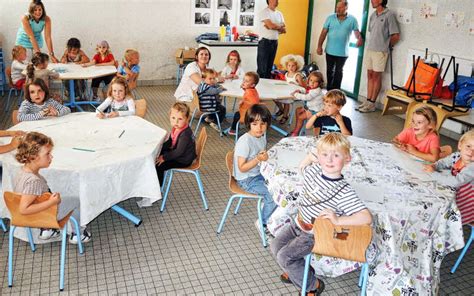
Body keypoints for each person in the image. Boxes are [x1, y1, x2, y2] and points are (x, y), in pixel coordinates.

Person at [271, 132, 372, 295]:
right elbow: (302, 168)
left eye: (336, 155)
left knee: (284, 257)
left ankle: (313, 285)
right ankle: (300, 271)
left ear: (347, 159)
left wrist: (338, 220)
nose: (329, 160)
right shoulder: (314, 172)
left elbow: (366, 217)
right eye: (324, 154)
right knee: (275, 246)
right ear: (319, 156)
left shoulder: (343, 191)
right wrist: (310, 158)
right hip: (297, 224)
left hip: (315, 234)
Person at [14, 132, 91, 243]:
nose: (51, 156)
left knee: (47, 194)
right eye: (47, 154)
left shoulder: (22, 172)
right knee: (77, 201)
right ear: (33, 157)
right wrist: (51, 202)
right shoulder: (33, 182)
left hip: (34, 215)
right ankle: (78, 234)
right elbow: (24, 209)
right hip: (42, 216)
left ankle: (47, 230)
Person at [234, 104, 277, 238]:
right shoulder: (245, 141)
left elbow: (261, 152)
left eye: (263, 124)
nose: (259, 128)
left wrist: (263, 157)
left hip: (257, 174)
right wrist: (258, 159)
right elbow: (242, 167)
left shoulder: (262, 135)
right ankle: (262, 223)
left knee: (279, 186)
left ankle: (269, 211)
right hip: (246, 179)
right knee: (274, 197)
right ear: (249, 124)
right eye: (255, 124)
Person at [357, 0, 400, 113]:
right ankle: (368, 100)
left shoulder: (389, 15)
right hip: (370, 50)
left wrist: (386, 46)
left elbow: (395, 36)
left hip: (380, 52)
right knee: (369, 75)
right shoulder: (373, 15)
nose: (371, 1)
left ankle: (372, 104)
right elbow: (373, 32)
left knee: (376, 76)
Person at [424, 130, 474, 225]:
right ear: (460, 145)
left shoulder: (472, 167)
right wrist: (434, 166)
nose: (471, 152)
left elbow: (455, 182)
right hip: (454, 192)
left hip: (466, 202)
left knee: (445, 217)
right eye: (468, 146)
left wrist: (433, 173)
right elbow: (443, 162)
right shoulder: (457, 156)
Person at [317, 0, 363, 90]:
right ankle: (329, 90)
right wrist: (319, 46)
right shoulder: (330, 18)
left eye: (340, 7)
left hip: (343, 52)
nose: (337, 9)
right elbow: (323, 33)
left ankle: (336, 92)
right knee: (330, 71)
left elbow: (357, 33)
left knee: (339, 72)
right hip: (330, 51)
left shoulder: (352, 19)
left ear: (346, 8)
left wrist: (359, 39)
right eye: (337, 7)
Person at [155, 102, 197, 185]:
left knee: (158, 166)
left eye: (180, 119)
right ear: (169, 116)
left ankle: (158, 188)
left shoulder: (185, 134)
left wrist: (164, 157)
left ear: (187, 119)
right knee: (159, 153)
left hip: (183, 160)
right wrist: (160, 148)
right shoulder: (177, 128)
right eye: (173, 118)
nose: (176, 122)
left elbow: (178, 152)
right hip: (181, 154)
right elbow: (171, 140)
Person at [289, 71, 325, 137]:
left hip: (315, 112)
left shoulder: (317, 90)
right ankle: (298, 127)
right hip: (310, 108)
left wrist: (296, 94)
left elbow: (307, 97)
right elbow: (306, 91)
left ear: (319, 83)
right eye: (311, 80)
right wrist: (300, 91)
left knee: (300, 117)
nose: (312, 83)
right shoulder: (312, 88)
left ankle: (296, 132)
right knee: (298, 110)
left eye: (315, 81)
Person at [257, 0, 286, 79]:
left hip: (274, 42)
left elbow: (284, 30)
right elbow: (271, 26)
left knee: (269, 68)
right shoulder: (264, 12)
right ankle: (260, 88)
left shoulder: (279, 14)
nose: (277, 1)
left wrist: (274, 26)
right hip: (265, 42)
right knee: (262, 69)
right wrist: (276, 26)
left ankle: (267, 88)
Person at [276, 54, 305, 124]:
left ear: (297, 66)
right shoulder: (286, 74)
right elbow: (287, 83)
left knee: (286, 101)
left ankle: (285, 116)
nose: (291, 67)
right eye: (289, 65)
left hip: (295, 94)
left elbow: (303, 87)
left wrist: (295, 84)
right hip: (287, 91)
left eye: (293, 66)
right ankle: (281, 109)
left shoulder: (297, 75)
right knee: (275, 98)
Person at [228, 71, 260, 136]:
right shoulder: (252, 89)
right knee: (238, 113)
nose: (244, 82)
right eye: (244, 80)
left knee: (237, 115)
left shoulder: (250, 93)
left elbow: (253, 102)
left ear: (252, 85)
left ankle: (233, 130)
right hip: (251, 112)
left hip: (248, 114)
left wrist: (243, 102)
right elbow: (249, 93)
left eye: (246, 81)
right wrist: (244, 88)